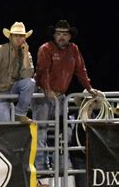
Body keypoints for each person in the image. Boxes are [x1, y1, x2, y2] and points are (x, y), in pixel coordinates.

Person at [32, 20, 99, 170]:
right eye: (58, 34)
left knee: (64, 129)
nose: (61, 37)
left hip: (61, 95)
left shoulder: (73, 49)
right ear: (54, 35)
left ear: (69, 36)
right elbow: (42, 71)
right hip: (43, 93)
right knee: (41, 129)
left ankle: (61, 164)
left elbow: (81, 70)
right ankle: (42, 167)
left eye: (64, 34)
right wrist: (48, 89)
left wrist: (89, 88)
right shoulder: (46, 49)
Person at [0, 22, 36, 124]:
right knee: (6, 124)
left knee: (30, 82)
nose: (19, 38)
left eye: (21, 36)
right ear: (10, 37)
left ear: (25, 38)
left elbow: (27, 76)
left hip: (13, 89)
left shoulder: (26, 54)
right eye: (16, 35)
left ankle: (20, 113)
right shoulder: (0, 50)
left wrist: (25, 54)